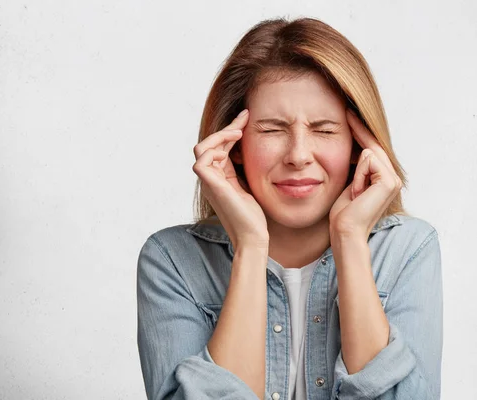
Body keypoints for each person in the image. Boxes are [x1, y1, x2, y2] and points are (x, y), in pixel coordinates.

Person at [137, 16, 443, 400]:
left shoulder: (408, 251)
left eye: (325, 129)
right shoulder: (172, 260)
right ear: (233, 147)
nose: (299, 155)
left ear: (358, 146)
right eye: (271, 129)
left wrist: (349, 240)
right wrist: (249, 247)